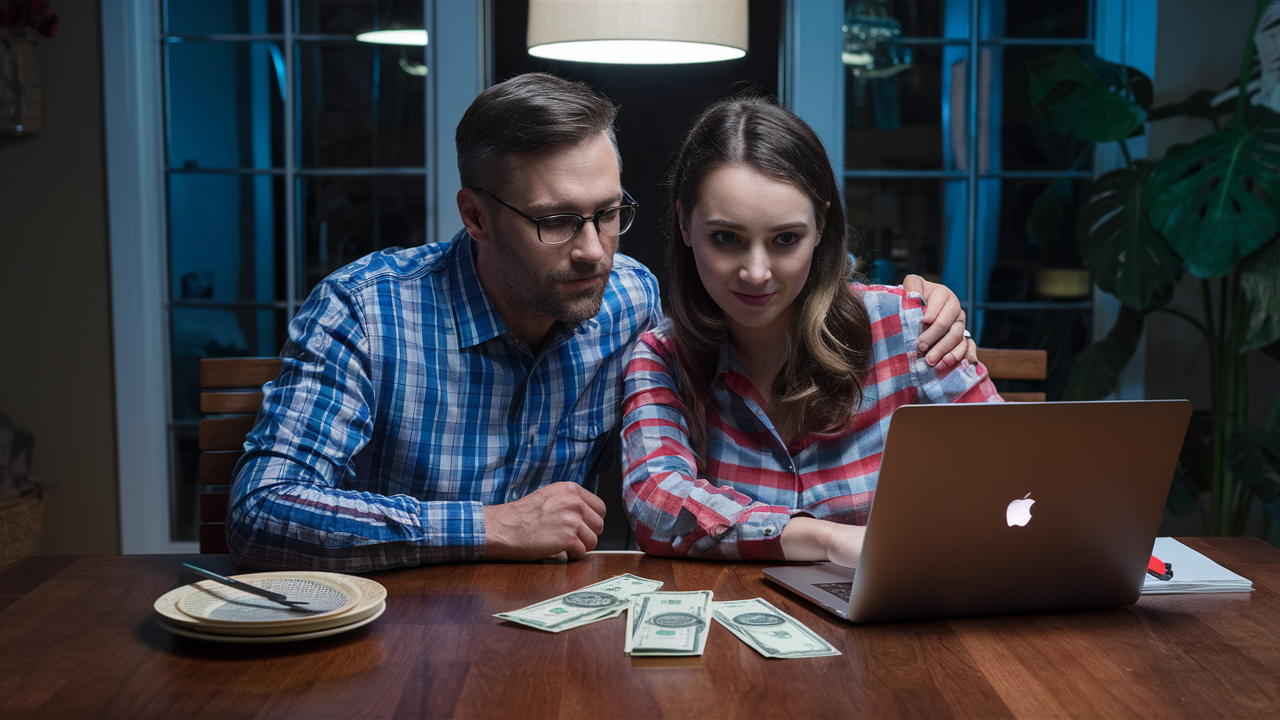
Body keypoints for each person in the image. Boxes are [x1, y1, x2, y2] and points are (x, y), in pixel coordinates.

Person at [228, 74, 974, 572]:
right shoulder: (366, 308)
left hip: (549, 628)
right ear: (476, 217)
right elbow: (260, 509)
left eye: (610, 213)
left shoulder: (628, 301)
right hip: (385, 627)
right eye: (556, 221)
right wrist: (490, 526)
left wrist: (917, 303)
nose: (594, 251)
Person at [621, 97, 1002, 568]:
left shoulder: (908, 327)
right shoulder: (663, 357)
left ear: (820, 226)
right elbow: (656, 502)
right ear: (684, 223)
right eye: (726, 238)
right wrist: (826, 539)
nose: (756, 272)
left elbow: (1012, 467)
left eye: (785, 239)